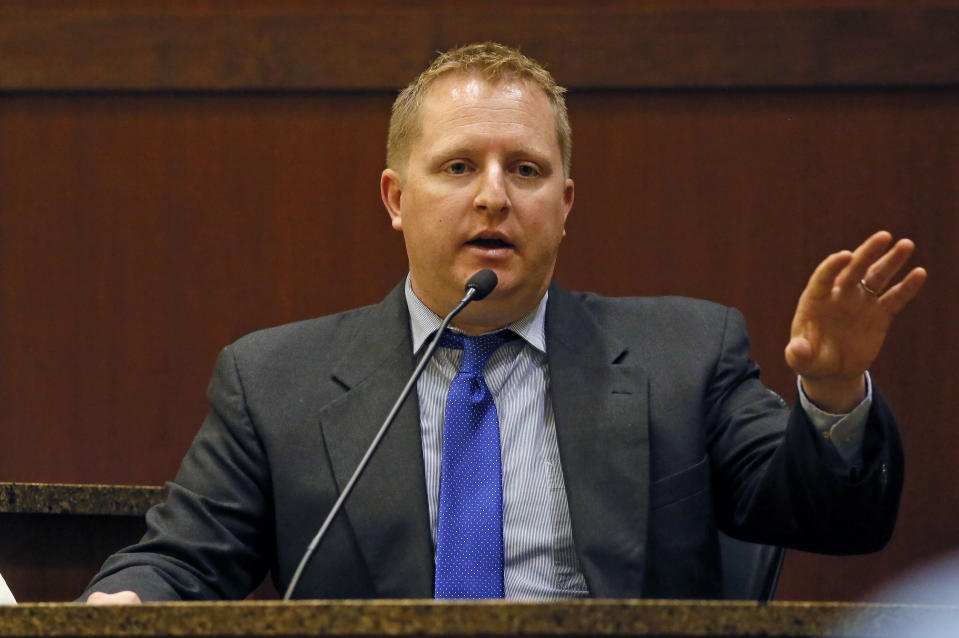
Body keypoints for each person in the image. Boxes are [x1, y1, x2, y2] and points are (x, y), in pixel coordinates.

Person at [83, 42, 926, 604]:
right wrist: (122, 605)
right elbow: (181, 561)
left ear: (561, 206)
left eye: (524, 169)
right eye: (458, 166)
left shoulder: (683, 355)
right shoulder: (275, 382)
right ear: (395, 199)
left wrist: (830, 387)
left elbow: (832, 521)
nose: (493, 195)